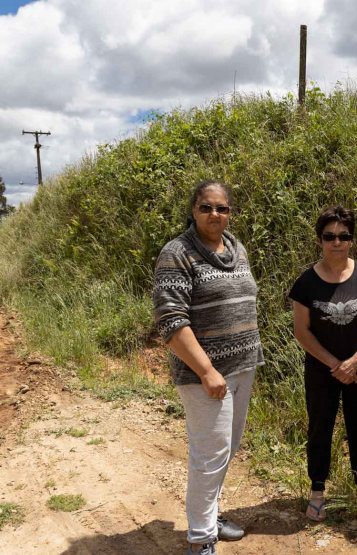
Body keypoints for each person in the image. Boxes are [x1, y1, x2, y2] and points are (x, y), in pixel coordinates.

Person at [153, 180, 263, 555]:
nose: (215, 214)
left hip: (242, 366)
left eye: (222, 208)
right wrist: (206, 370)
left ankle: (209, 515)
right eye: (206, 207)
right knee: (209, 454)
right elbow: (171, 321)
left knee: (226, 449)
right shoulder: (177, 253)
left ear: (230, 212)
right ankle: (200, 539)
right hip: (205, 375)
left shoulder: (237, 247)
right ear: (193, 210)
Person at [288, 206, 357, 521]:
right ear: (320, 240)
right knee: (320, 426)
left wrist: (355, 361)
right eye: (329, 236)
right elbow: (301, 331)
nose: (337, 242)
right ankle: (318, 489)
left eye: (344, 236)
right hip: (321, 368)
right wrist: (335, 364)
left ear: (352, 240)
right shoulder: (306, 282)